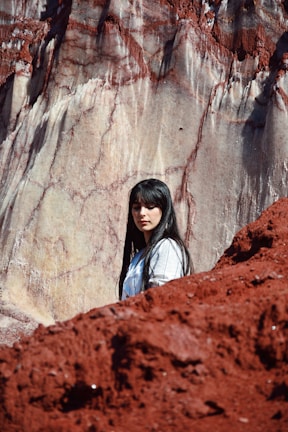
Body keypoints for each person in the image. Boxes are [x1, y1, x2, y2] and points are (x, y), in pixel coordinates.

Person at [119, 178, 192, 300]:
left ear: (164, 210)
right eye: (136, 207)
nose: (142, 213)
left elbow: (161, 299)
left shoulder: (167, 247)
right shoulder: (138, 256)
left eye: (150, 206)